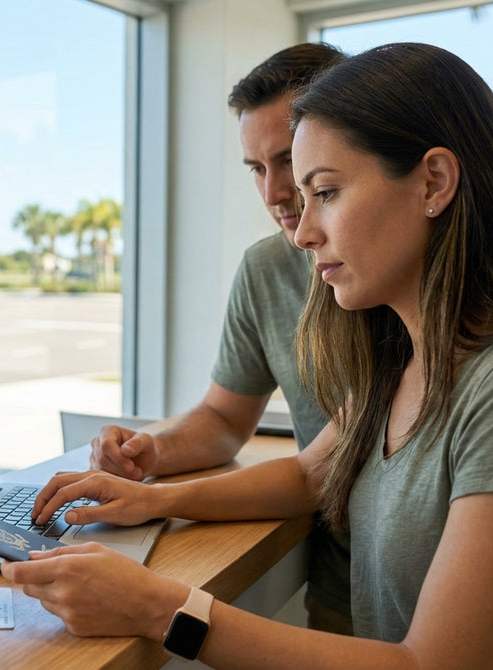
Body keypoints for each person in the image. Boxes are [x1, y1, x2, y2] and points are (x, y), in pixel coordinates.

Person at [4, 42, 493, 668]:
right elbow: (312, 474)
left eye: (328, 191)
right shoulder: (402, 354)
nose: (304, 230)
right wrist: (151, 500)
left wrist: (162, 610)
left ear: (433, 181)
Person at [89, 41, 356, 636]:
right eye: (256, 169)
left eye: (288, 160)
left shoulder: (403, 292)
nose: (273, 193)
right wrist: (149, 454)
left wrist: (157, 508)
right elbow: (226, 418)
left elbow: (316, 474)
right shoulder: (266, 270)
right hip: (347, 580)